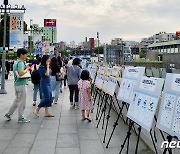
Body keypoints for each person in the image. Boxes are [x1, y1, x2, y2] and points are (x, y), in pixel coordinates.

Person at [4, 48, 30, 123]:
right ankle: (21, 117)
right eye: (25, 54)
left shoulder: (16, 62)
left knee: (16, 101)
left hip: (17, 84)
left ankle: (9, 114)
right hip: (21, 84)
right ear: (21, 54)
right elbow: (21, 73)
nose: (26, 56)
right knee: (22, 102)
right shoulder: (21, 63)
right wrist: (27, 69)